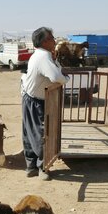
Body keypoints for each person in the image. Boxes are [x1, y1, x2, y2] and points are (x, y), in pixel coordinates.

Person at [20, 27, 69, 181]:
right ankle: (43, 167)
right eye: (52, 38)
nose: (55, 40)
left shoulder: (42, 55)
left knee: (29, 133)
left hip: (30, 98)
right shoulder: (43, 57)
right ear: (45, 41)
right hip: (35, 101)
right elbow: (56, 77)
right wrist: (66, 79)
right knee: (40, 134)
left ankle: (31, 167)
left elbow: (54, 72)